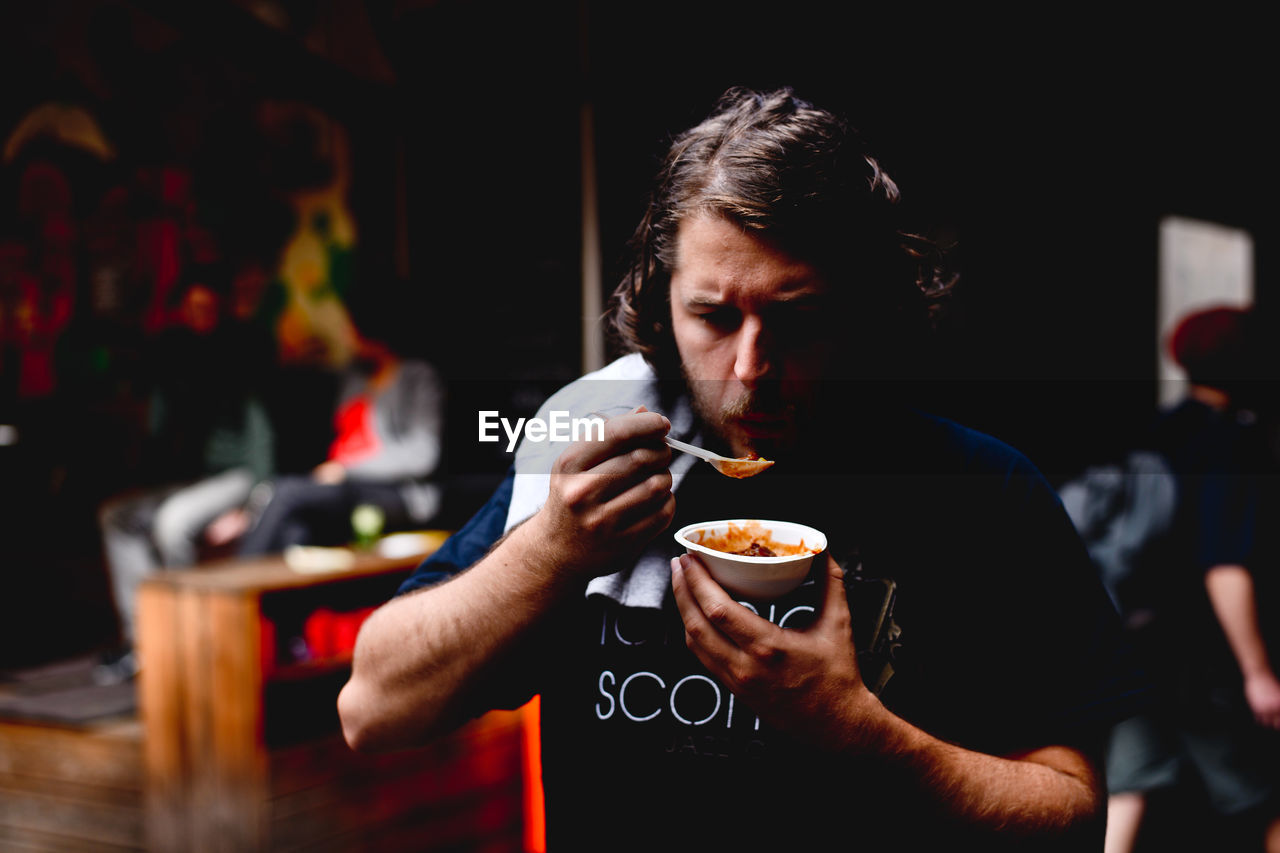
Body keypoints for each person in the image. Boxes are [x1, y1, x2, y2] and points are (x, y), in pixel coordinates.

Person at [337, 87, 1146, 850]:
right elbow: (374, 709)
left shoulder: (982, 493)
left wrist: (861, 731)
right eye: (714, 316)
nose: (749, 369)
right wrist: (551, 549)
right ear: (662, 303)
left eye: (796, 319)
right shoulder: (599, 462)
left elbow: (1074, 817)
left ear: (865, 310)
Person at [1100, 306, 1280, 853]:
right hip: (1206, 659)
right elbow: (1224, 564)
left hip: (1134, 644)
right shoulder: (1234, 443)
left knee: (1128, 790)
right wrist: (1258, 672)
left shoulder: (1155, 430)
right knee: (1268, 794)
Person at [96, 271, 276, 681]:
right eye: (193, 308)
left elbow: (262, 434)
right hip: (196, 479)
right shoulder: (177, 356)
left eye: (208, 308)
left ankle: (189, 643)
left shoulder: (243, 351)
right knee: (117, 515)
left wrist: (253, 506)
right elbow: (160, 431)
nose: (201, 317)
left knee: (172, 521)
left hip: (240, 473)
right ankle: (143, 641)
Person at [236, 301, 445, 556]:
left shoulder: (417, 377)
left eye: (350, 329)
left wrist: (346, 470)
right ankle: (271, 593)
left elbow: (422, 457)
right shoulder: (354, 378)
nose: (346, 337)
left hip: (400, 492)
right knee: (296, 531)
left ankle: (237, 581)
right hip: (346, 486)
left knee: (287, 493)